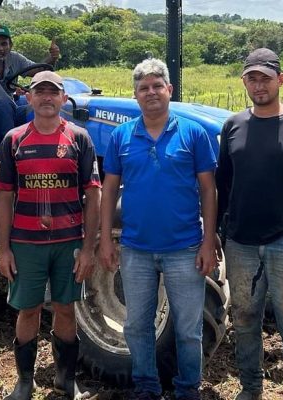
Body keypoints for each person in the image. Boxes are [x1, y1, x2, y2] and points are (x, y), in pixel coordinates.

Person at [98, 59, 220, 400]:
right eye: (143, 88)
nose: (150, 92)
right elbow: (109, 190)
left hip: (184, 247)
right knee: (137, 325)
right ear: (135, 95)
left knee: (188, 328)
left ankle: (187, 388)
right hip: (135, 249)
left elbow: (208, 189)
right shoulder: (122, 135)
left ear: (170, 90)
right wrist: (106, 239)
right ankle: (147, 387)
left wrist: (209, 240)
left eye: (156, 86)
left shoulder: (192, 133)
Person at [215, 48, 283, 400]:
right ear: (244, 82)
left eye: (265, 78)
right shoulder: (233, 126)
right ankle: (251, 388)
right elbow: (224, 185)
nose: (259, 85)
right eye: (252, 78)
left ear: (280, 79)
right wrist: (219, 232)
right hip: (241, 244)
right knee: (245, 319)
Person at [0, 70, 101, 400]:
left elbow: (93, 194)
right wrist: (4, 249)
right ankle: (24, 383)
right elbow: (5, 196)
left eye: (54, 92)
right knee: (29, 310)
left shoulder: (79, 139)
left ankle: (66, 380)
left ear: (64, 99)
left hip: (68, 244)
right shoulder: (14, 140)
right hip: (26, 245)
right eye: (41, 92)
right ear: (29, 98)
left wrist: (89, 247)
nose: (47, 98)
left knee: (66, 309)